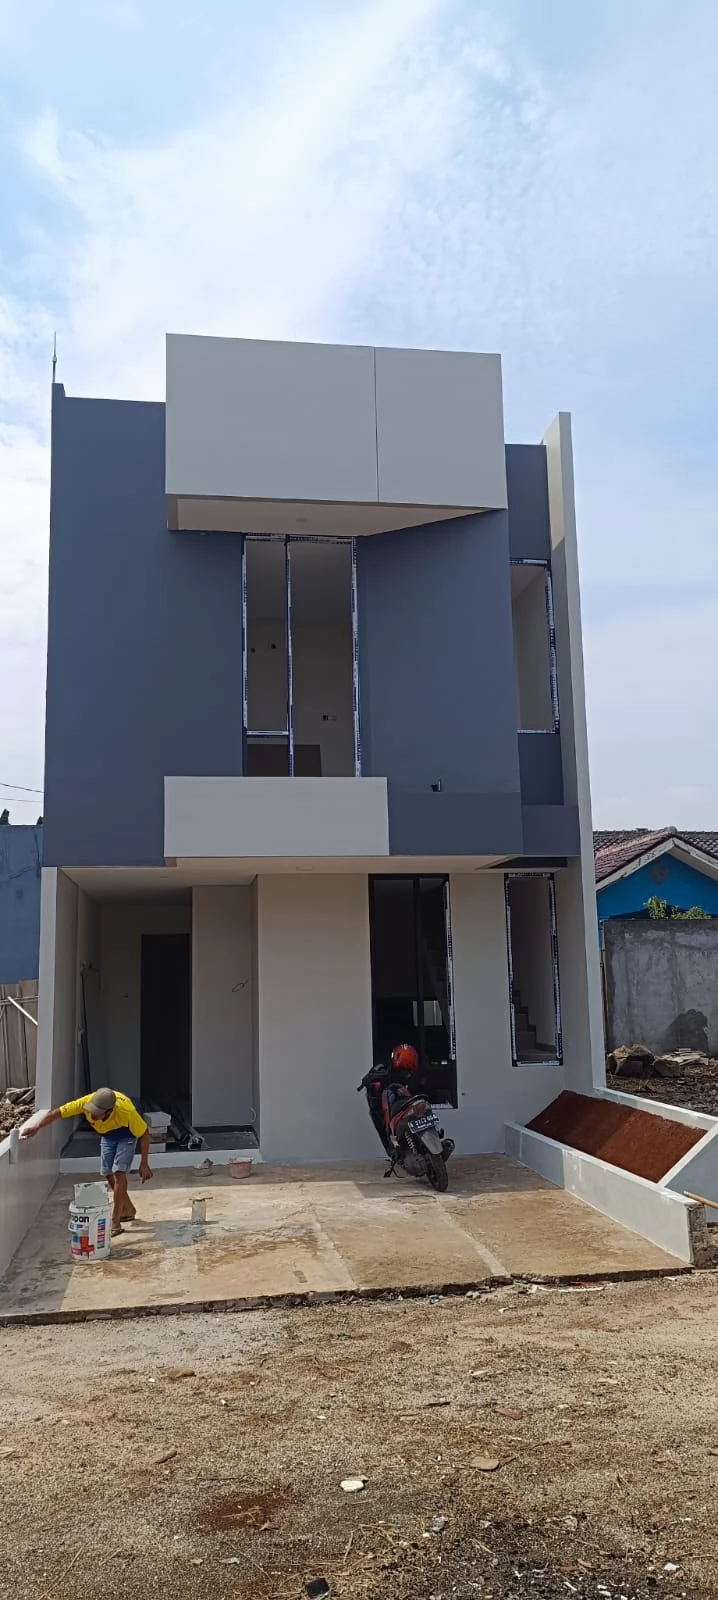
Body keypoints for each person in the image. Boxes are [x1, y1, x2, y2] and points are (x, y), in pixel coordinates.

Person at [21, 1087, 153, 1235]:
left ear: (109, 1112)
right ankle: (127, 1209)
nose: (92, 1115)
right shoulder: (85, 1103)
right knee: (107, 1171)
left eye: (97, 1112)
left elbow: (144, 1133)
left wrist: (144, 1163)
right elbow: (58, 1113)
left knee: (119, 1172)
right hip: (107, 1136)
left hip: (126, 1136)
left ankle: (115, 1223)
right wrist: (36, 1127)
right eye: (91, 1110)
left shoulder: (126, 1112)